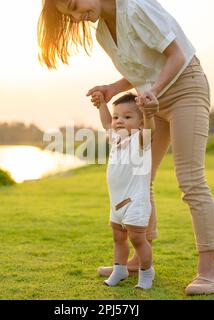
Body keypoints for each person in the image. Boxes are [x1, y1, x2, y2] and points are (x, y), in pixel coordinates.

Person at [38, 0, 214, 295]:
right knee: (141, 179)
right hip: (148, 101)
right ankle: (140, 258)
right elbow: (141, 70)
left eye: (75, 6)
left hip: (184, 88)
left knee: (190, 179)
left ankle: (210, 272)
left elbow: (175, 55)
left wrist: (151, 90)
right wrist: (113, 89)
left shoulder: (136, 7)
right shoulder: (102, 32)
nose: (77, 17)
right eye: (70, 16)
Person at [92, 91, 157, 289]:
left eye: (127, 117)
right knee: (118, 237)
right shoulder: (115, 139)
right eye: (116, 117)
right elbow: (105, 123)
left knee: (137, 238)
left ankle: (146, 272)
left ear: (139, 122)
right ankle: (119, 269)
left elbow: (150, 128)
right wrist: (102, 104)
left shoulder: (140, 140)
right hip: (117, 201)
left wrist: (148, 113)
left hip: (135, 200)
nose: (119, 121)